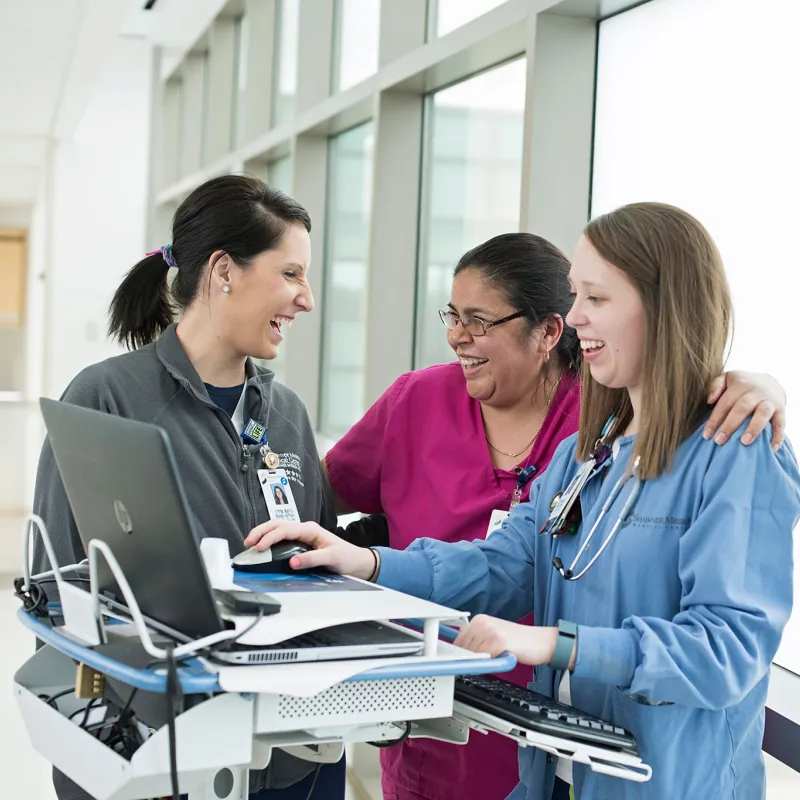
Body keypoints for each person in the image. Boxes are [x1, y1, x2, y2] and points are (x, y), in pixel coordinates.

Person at [246, 204, 799, 800]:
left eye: (597, 298)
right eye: (576, 295)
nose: (577, 315)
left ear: (664, 305)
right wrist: (368, 564)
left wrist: (552, 643)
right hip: (554, 776)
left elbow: (726, 651)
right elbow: (505, 563)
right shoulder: (586, 458)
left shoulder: (736, 454)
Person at [31, 175, 345, 799]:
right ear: (224, 270)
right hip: (162, 752)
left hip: (289, 754)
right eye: (290, 274)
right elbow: (57, 588)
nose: (306, 299)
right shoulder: (107, 399)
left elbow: (320, 565)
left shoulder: (287, 415)